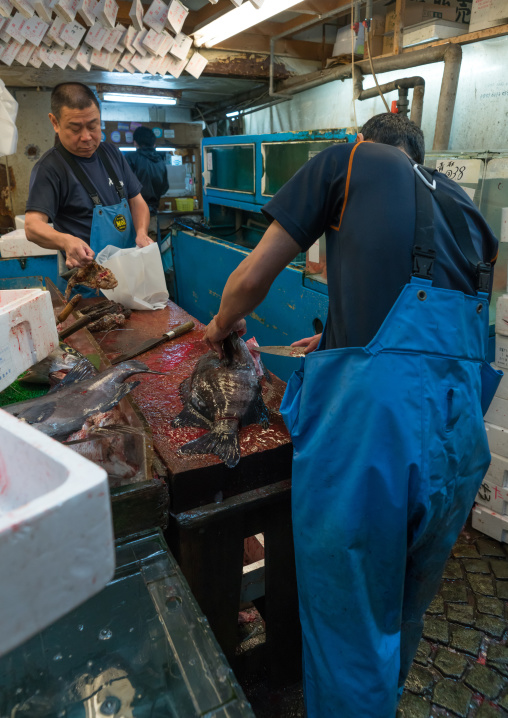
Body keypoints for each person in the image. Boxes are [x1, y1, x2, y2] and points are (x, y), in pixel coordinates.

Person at [203, 113, 500, 717]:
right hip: (460, 439)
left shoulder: (348, 159)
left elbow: (251, 279)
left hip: (377, 440)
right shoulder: (467, 209)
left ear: (365, 142)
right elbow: (452, 343)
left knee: (352, 629)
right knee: (402, 608)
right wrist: (343, 337)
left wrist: (219, 324)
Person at [25, 82, 153, 277]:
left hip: (129, 273)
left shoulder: (112, 153)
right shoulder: (50, 168)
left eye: (93, 126)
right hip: (90, 282)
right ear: (55, 122)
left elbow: (137, 202)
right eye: (75, 129)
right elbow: (32, 226)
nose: (86, 137)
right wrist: (66, 240)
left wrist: (142, 232)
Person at [126, 126, 169, 238]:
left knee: (132, 246)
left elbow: (124, 187)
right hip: (152, 214)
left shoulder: (130, 158)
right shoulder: (160, 161)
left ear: (135, 142)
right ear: (153, 143)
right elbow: (165, 188)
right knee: (149, 245)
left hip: (133, 215)